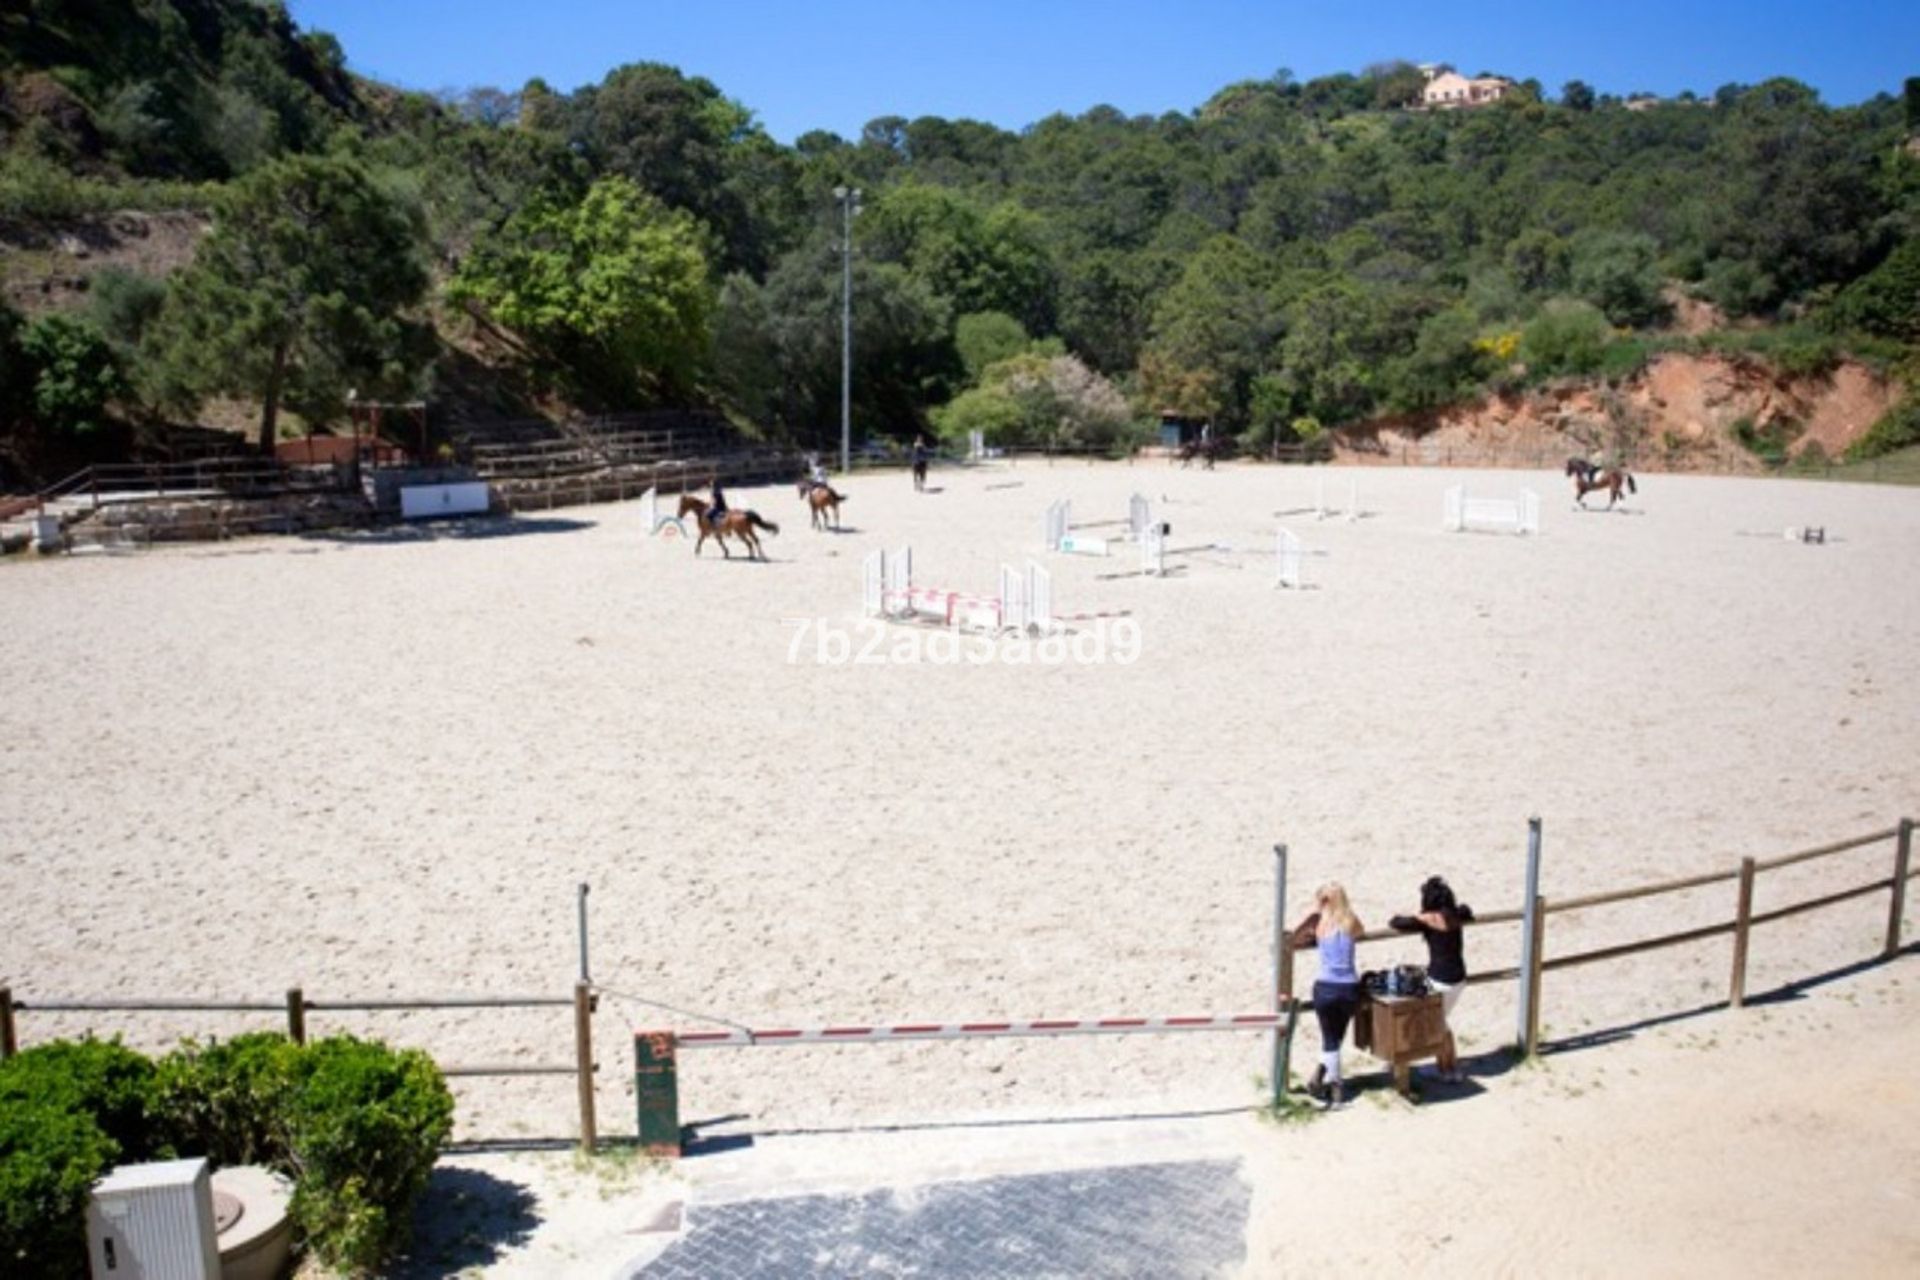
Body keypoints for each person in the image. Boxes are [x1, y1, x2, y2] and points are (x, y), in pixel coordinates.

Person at [1390, 876, 1475, 1083]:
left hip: (1440, 979)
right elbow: (1467, 910)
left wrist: (1419, 915)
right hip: (1459, 977)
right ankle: (1449, 1067)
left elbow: (1396, 922)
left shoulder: (1430, 919)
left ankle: (1447, 1070)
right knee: (1442, 1022)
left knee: (1438, 1024)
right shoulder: (1456, 915)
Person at [1290, 882, 1364, 1108]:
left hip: (1326, 987)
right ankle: (1317, 1079)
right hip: (1350, 986)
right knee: (1335, 1039)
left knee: (1330, 1041)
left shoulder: (1319, 923)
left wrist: (1313, 911)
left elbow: (1293, 938)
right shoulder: (1351, 921)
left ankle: (1337, 1089)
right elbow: (1360, 932)